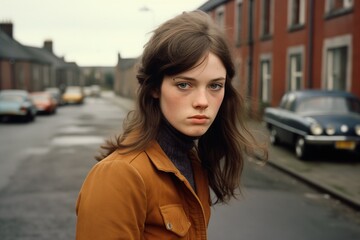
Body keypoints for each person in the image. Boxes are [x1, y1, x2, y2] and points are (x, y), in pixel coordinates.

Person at [76, 10, 267, 239]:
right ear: (155, 88)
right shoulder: (120, 175)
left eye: (215, 86)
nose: (202, 102)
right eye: (184, 85)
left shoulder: (192, 164)